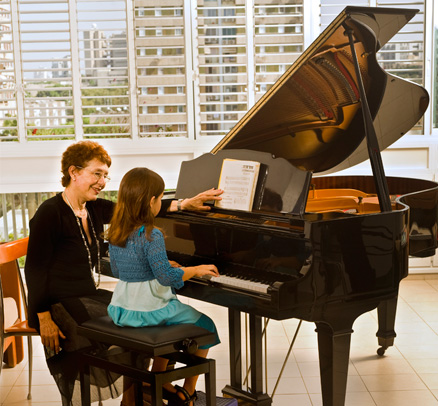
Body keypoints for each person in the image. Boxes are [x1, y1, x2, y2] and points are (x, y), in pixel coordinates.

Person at [24, 140, 223, 406]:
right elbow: (34, 268)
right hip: (58, 303)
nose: (103, 181)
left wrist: (184, 204)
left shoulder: (91, 208)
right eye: (97, 173)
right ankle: (140, 394)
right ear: (74, 172)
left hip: (88, 295)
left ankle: (136, 397)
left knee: (136, 325)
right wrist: (43, 316)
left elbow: (139, 208)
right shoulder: (50, 212)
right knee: (129, 333)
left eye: (106, 175)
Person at [106, 167, 221, 406]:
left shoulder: (116, 231)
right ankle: (188, 390)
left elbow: (118, 271)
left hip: (122, 310)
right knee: (207, 326)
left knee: (174, 315)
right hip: (149, 311)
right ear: (152, 201)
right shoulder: (152, 234)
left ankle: (159, 379)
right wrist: (195, 270)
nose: (161, 202)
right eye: (160, 198)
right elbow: (167, 277)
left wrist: (154, 263)